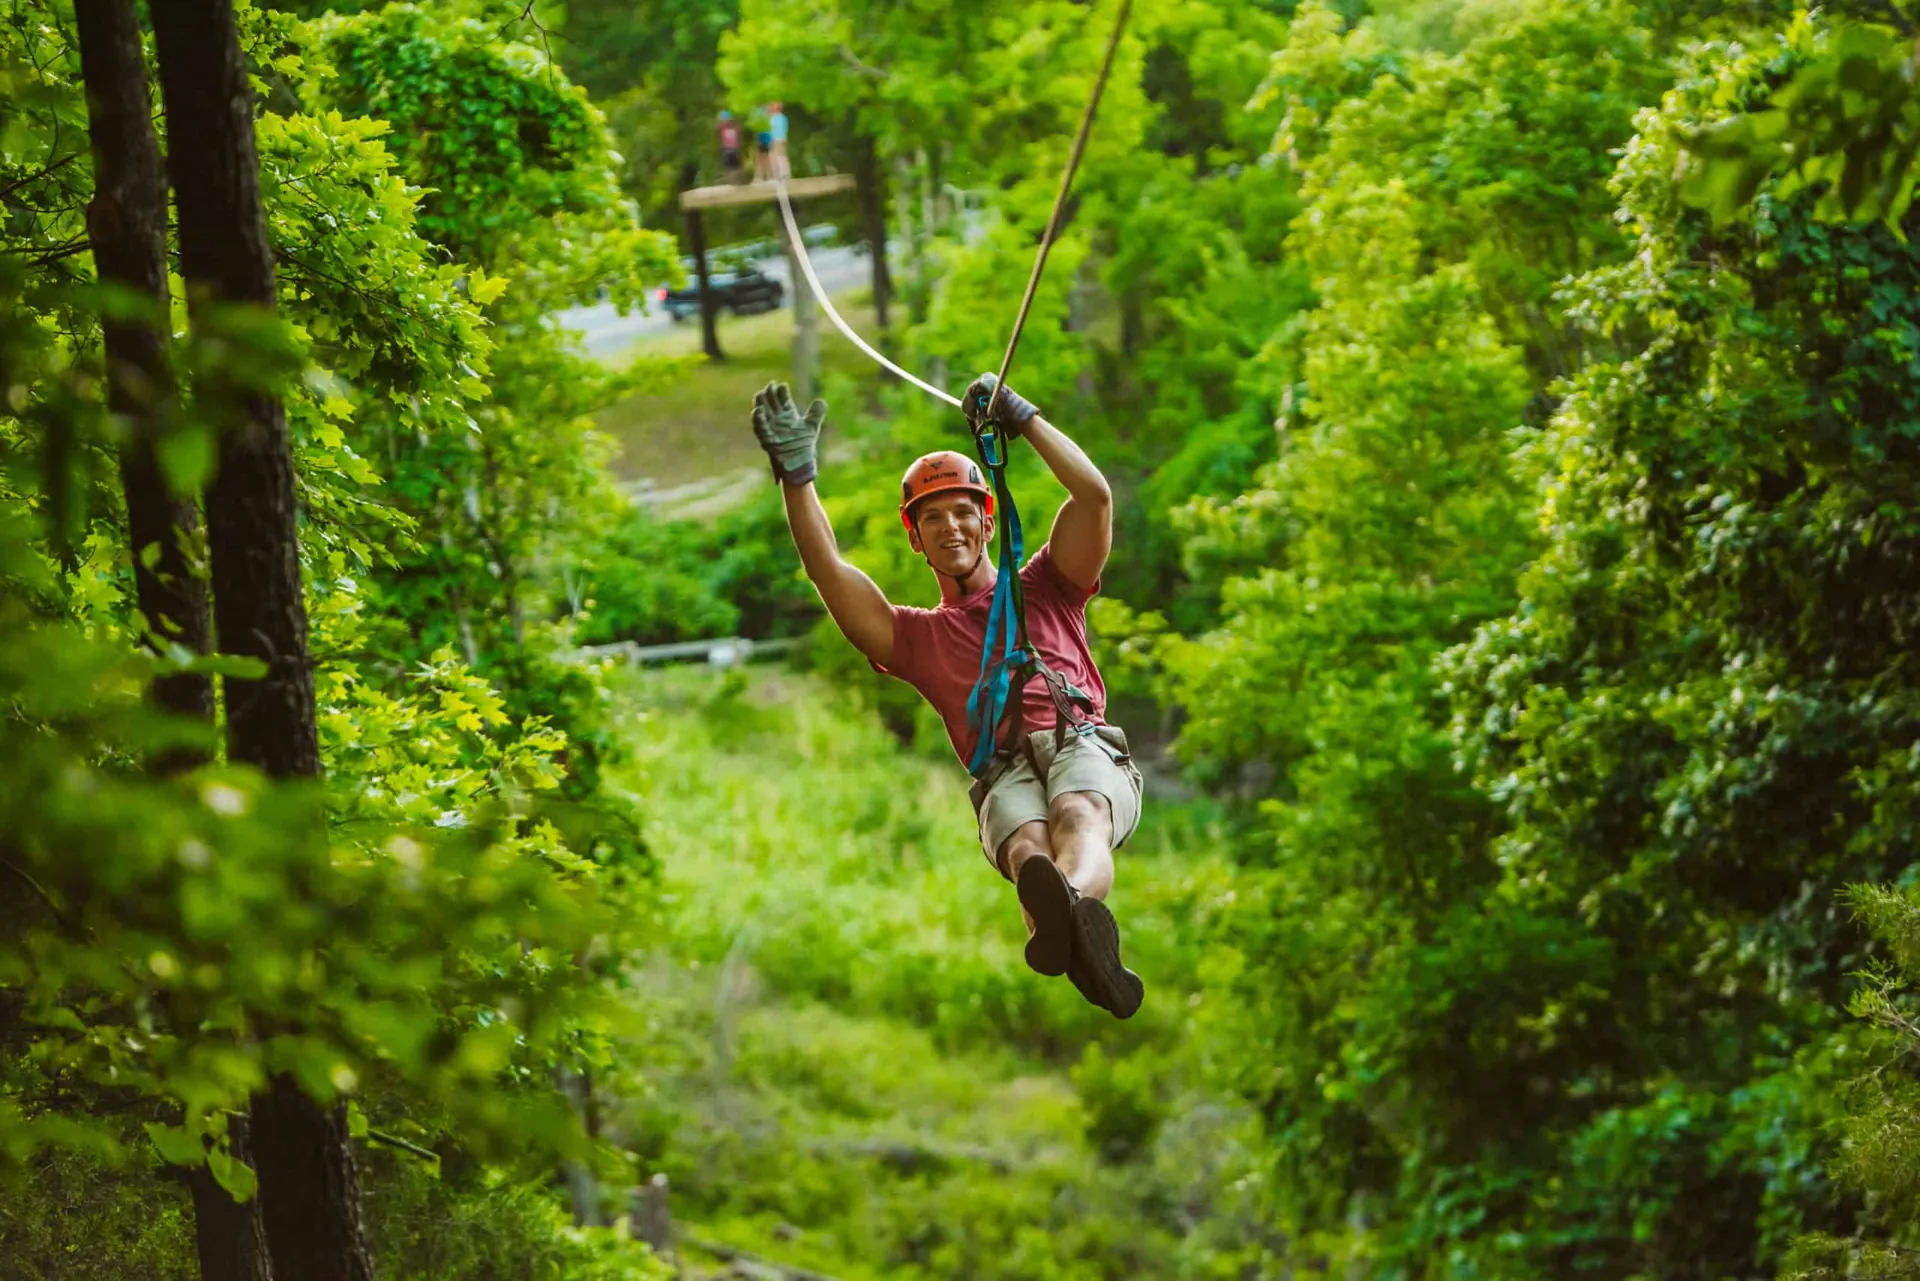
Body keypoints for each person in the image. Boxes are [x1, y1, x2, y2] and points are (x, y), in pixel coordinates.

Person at [747, 377, 1146, 1019]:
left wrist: (1024, 418)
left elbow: (1093, 496)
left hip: (1081, 742)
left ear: (987, 520)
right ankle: (1072, 926)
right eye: (932, 516)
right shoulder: (916, 638)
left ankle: (1067, 911)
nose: (949, 525)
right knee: (1025, 849)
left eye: (962, 510)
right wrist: (798, 477)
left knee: (1077, 813)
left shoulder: (1048, 584)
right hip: (1003, 769)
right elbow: (828, 570)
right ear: (915, 537)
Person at [717, 109, 743, 182]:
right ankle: (731, 179)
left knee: (735, 164)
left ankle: (736, 179)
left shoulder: (735, 126)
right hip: (726, 147)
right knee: (728, 164)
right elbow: (719, 133)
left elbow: (739, 134)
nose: (724, 121)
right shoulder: (722, 127)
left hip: (734, 147)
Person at [768, 101, 790, 180]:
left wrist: (780, 139)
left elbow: (780, 130)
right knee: (774, 157)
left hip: (778, 140)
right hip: (773, 140)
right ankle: (777, 174)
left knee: (780, 156)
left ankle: (784, 174)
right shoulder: (773, 118)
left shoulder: (780, 117)